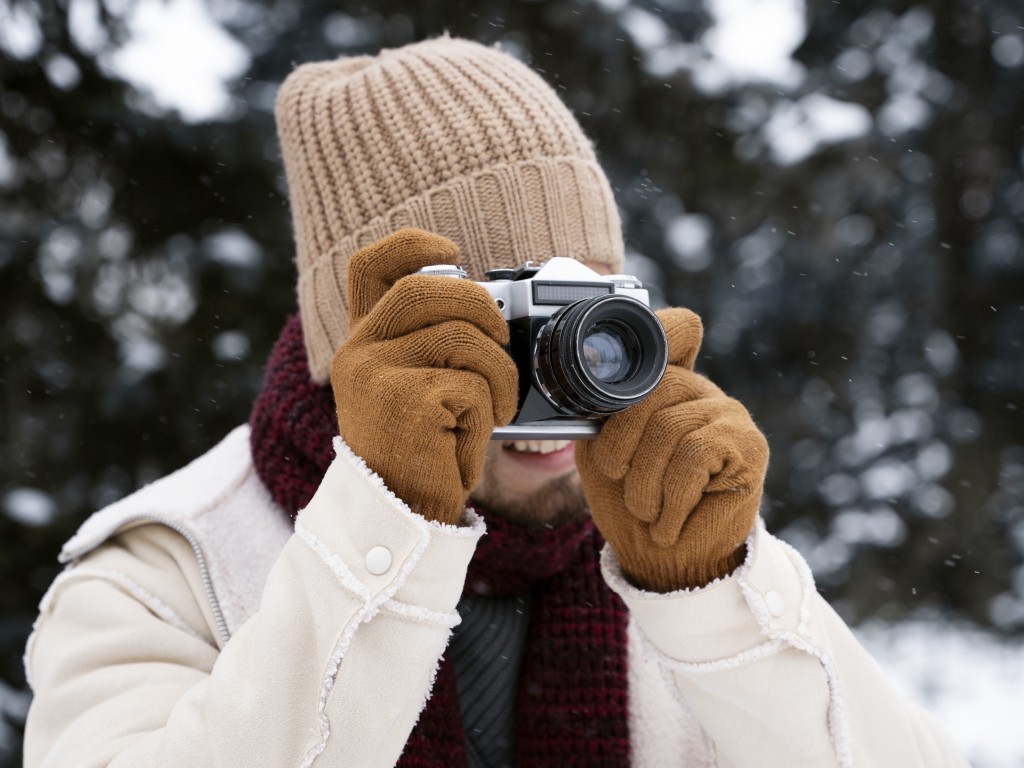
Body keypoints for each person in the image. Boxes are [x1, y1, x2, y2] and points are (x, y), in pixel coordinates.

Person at [23, 36, 967, 767]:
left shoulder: (657, 529)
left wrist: (717, 600)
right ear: (358, 341)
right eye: (494, 329)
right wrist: (384, 528)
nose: (551, 380)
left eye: (581, 316)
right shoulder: (164, 571)